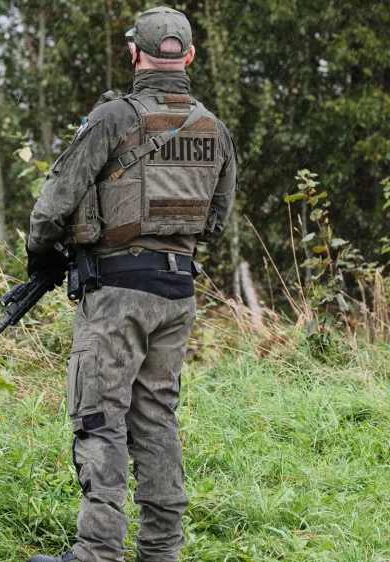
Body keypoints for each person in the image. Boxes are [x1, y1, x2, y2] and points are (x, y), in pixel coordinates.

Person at [24, 6, 238, 562]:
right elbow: (216, 219)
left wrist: (41, 254)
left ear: (134, 54)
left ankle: (97, 554)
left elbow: (53, 204)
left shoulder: (114, 118)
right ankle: (162, 551)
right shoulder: (214, 128)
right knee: (157, 418)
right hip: (178, 295)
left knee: (99, 417)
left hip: (117, 294)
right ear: (188, 56)